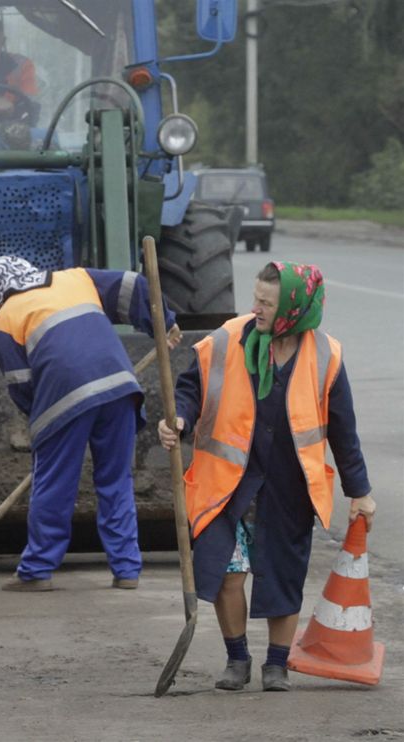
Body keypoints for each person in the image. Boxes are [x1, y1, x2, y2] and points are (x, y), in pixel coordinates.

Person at [158, 261, 375, 693]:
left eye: (267, 303)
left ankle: (277, 664)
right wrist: (177, 419)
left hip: (289, 486)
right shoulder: (225, 340)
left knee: (282, 573)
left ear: (294, 309)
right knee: (227, 573)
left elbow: (343, 429)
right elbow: (188, 389)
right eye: (255, 298)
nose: (256, 308)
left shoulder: (325, 354)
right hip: (227, 483)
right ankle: (237, 658)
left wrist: (360, 491)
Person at [0, 256, 180, 593]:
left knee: (54, 483)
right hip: (119, 385)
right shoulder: (74, 278)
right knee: (116, 480)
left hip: (62, 397)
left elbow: (21, 385)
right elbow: (133, 285)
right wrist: (163, 322)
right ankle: (127, 570)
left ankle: (37, 570)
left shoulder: (4, 320)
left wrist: (43, 428)